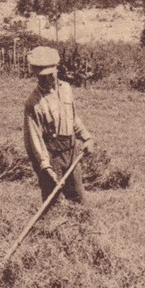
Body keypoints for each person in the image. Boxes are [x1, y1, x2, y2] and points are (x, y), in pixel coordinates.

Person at [23, 45, 94, 205]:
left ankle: (84, 229)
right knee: (52, 201)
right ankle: (50, 229)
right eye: (41, 77)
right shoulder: (33, 103)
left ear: (56, 70)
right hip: (51, 155)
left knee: (78, 198)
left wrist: (86, 137)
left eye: (49, 75)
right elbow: (34, 139)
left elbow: (73, 118)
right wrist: (45, 166)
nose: (46, 80)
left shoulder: (67, 89)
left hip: (71, 150)